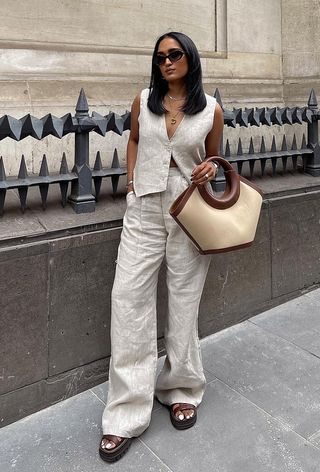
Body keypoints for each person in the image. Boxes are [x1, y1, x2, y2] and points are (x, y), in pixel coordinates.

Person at [99, 31, 224, 463]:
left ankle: (181, 387)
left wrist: (207, 170)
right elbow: (133, 139)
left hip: (188, 209)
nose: (167, 62)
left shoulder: (210, 110)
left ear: (190, 58)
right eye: (160, 57)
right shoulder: (144, 99)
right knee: (128, 298)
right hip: (144, 208)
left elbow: (213, 159)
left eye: (174, 55)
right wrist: (131, 184)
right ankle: (125, 414)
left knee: (185, 302)